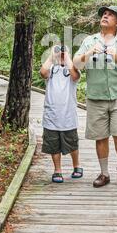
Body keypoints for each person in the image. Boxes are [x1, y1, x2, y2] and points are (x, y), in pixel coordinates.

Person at [73, 5, 117, 188]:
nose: (105, 16)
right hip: (96, 96)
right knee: (100, 137)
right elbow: (76, 64)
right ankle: (104, 173)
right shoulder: (89, 40)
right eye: (104, 14)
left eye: (110, 15)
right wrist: (88, 53)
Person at [40, 45, 83, 183]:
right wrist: (53, 56)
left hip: (68, 116)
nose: (61, 54)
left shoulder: (72, 71)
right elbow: (42, 72)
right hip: (51, 115)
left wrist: (67, 56)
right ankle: (57, 170)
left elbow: (75, 75)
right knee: (53, 145)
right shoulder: (51, 70)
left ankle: (77, 166)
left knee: (72, 143)